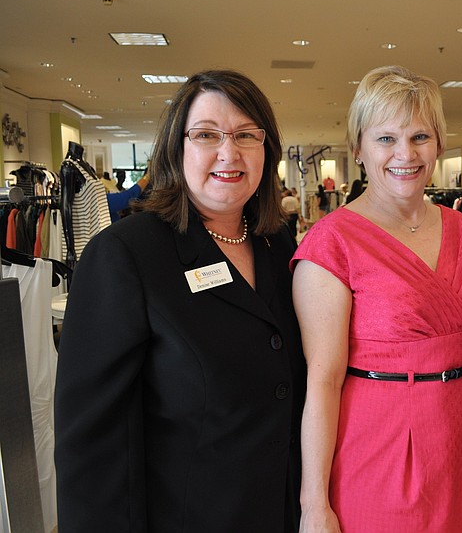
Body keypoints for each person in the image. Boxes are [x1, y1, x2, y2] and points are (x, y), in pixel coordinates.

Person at [54, 69, 306, 532]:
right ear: (177, 148)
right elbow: (91, 444)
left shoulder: (279, 244)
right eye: (207, 134)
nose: (228, 152)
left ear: (266, 151)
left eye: (247, 135)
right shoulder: (126, 255)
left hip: (281, 512)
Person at [292, 65, 462, 532]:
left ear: (439, 144)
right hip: (380, 445)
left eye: (420, 136)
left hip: (461, 442)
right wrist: (314, 505)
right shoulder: (332, 243)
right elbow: (322, 382)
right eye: (385, 139)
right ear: (358, 148)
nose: (406, 153)